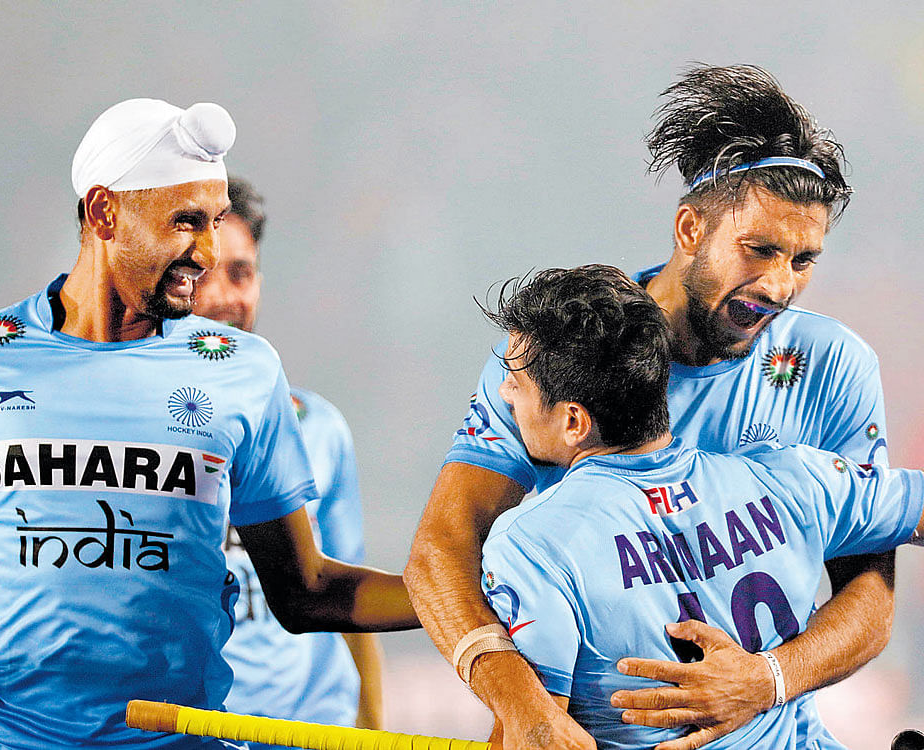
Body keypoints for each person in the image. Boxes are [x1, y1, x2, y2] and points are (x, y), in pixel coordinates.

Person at [405, 64, 891, 750]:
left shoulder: (831, 365)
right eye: (759, 251)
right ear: (691, 228)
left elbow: (870, 593)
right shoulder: (558, 347)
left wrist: (766, 680)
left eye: (804, 259)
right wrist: (524, 707)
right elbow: (442, 549)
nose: (780, 285)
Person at [0, 98, 416, 750]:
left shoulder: (243, 370)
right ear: (104, 212)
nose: (206, 253)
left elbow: (306, 592)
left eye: (214, 224)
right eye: (187, 223)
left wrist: (476, 596)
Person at [476, 264, 923, 749]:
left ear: (573, 421)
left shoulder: (531, 544)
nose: (505, 392)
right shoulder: (792, 477)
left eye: (517, 382)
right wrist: (771, 677)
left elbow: (535, 737)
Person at [192, 177, 384, 736]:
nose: (226, 297)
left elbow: (346, 601)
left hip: (309, 729)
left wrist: (373, 727)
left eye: (241, 272)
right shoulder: (127, 435)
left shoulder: (318, 427)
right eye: (203, 274)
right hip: (186, 729)